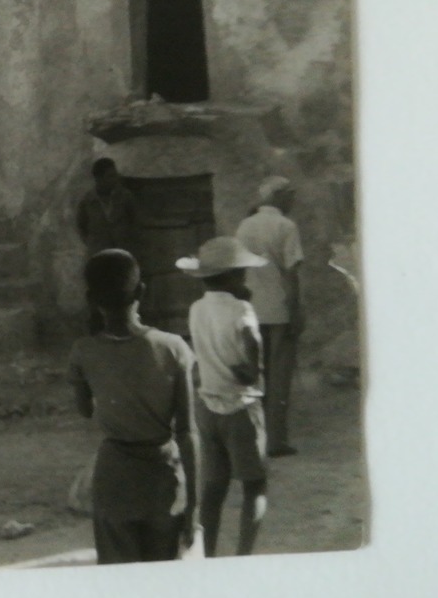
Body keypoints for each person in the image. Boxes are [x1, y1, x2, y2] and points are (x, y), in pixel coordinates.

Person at [68, 250, 198, 564]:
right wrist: (193, 505)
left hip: (114, 478)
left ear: (90, 298)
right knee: (161, 583)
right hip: (161, 479)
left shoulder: (83, 352)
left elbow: (84, 409)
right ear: (141, 291)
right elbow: (187, 432)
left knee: (118, 585)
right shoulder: (174, 348)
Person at [178, 236, 270, 557]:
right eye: (241, 271)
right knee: (255, 485)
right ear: (233, 276)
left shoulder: (196, 309)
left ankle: (209, 554)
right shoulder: (242, 309)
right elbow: (252, 351)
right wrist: (251, 368)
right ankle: (243, 555)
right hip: (240, 406)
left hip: (207, 406)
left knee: (213, 489)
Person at [236, 176, 306, 457]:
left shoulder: (245, 226)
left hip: (251, 310)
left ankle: (253, 438)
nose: (292, 200)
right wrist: (296, 311)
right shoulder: (285, 226)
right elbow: (290, 274)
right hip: (278, 311)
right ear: (278, 196)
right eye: (290, 195)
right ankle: (275, 440)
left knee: (253, 375)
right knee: (279, 377)